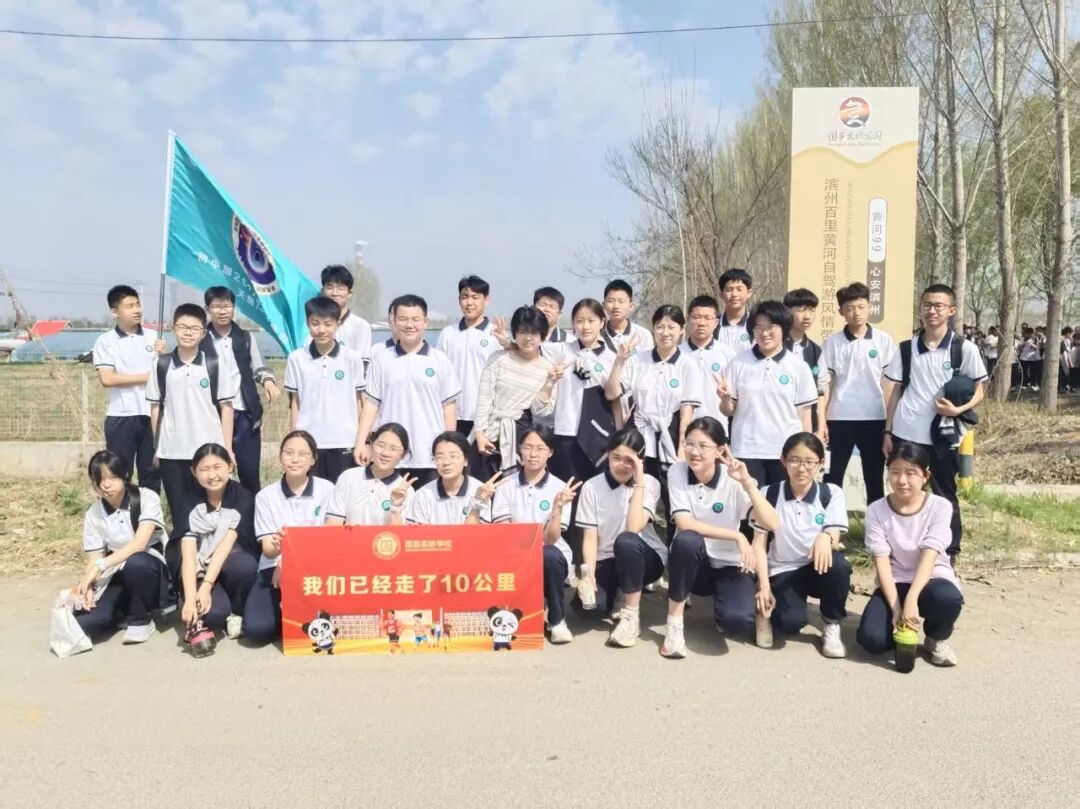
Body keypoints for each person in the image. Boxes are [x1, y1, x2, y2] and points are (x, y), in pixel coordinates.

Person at [659, 418, 779, 659]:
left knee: (737, 621)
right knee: (686, 540)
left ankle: (723, 606)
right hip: (696, 563)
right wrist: (737, 535)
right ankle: (674, 626)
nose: (694, 451)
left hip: (729, 564)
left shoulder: (733, 479)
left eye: (703, 446)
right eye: (689, 443)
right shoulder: (678, 471)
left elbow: (772, 523)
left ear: (720, 450)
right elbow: (684, 523)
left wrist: (747, 483)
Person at [883, 283, 986, 560]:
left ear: (951, 310)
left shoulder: (963, 348)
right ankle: (901, 549)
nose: (932, 311)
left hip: (943, 435)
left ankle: (948, 551)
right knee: (904, 490)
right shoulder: (906, 349)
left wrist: (958, 409)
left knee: (944, 493)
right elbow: (895, 392)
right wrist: (888, 431)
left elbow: (980, 390)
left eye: (938, 306)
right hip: (906, 432)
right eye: (927, 305)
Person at [856, 442, 964, 667]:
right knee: (872, 640)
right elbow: (881, 562)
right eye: (895, 472)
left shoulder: (939, 507)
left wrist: (912, 600)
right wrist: (896, 609)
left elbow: (929, 555)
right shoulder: (876, 510)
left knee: (947, 598)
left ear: (925, 476)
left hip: (931, 578)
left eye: (910, 473)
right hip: (895, 580)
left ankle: (936, 637)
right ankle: (901, 628)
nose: (902, 480)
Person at [476, 426, 582, 644]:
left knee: (549, 554)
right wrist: (532, 534)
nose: (533, 454)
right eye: (527, 447)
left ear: (550, 452)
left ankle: (557, 620)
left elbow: (551, 539)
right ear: (520, 450)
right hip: (514, 551)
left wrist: (556, 509)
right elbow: (504, 530)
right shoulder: (505, 485)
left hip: (550, 554)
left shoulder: (561, 488)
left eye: (540, 449)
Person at [605, 305, 703, 541]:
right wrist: (619, 362)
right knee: (632, 489)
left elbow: (687, 411)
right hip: (638, 431)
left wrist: (682, 448)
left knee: (671, 494)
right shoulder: (638, 360)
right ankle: (632, 543)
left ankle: (673, 547)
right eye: (660, 327)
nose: (665, 332)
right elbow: (612, 393)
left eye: (671, 327)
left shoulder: (688, 364)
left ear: (682, 330)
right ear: (653, 329)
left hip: (670, 433)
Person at [752, 433, 850, 659]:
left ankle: (831, 622)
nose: (802, 468)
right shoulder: (769, 493)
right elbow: (759, 544)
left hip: (817, 567)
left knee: (839, 566)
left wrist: (826, 537)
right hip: (783, 570)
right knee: (789, 623)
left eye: (809, 462)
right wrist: (763, 586)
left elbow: (835, 534)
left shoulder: (831, 493)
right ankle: (763, 610)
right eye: (795, 460)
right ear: (783, 461)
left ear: (821, 463)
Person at [147, 303, 238, 541]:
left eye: (194, 328)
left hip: (208, 451)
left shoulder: (214, 364)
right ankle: (182, 558)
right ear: (172, 328)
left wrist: (227, 448)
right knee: (179, 511)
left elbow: (227, 408)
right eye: (182, 327)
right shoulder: (161, 365)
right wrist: (157, 446)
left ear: (203, 333)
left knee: (210, 508)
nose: (188, 332)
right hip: (172, 452)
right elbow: (156, 408)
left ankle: (210, 556)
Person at [573, 427, 667, 648]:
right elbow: (590, 537)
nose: (622, 465)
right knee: (589, 608)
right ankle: (618, 591)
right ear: (607, 455)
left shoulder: (650, 484)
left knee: (626, 541)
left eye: (629, 460)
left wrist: (639, 482)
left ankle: (631, 614)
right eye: (616, 458)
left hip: (643, 558)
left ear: (640, 460)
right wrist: (588, 575)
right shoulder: (592, 487)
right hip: (606, 558)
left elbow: (633, 527)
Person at [358, 294, 462, 488]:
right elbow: (371, 405)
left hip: (429, 455)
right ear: (394, 321)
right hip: (390, 454)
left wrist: (449, 446)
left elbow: (449, 406)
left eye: (415, 319)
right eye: (403, 319)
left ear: (425, 322)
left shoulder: (439, 360)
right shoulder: (381, 359)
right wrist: (362, 442)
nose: (409, 325)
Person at [544, 298, 619, 566]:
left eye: (591, 320)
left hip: (598, 439)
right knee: (567, 497)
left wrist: (618, 436)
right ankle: (568, 560)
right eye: (579, 321)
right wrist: (507, 343)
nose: (585, 326)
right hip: (566, 435)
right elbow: (530, 346)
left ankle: (595, 561)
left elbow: (616, 399)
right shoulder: (561, 350)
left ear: (602, 322)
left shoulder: (612, 357)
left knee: (595, 498)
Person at [242, 431, 334, 644]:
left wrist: (288, 562)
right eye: (289, 453)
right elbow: (268, 549)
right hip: (274, 568)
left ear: (313, 459)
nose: (295, 459)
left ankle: (296, 616)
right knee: (257, 630)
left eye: (302, 454)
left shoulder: (328, 489)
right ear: (280, 457)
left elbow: (329, 540)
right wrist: (279, 552)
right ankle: (285, 616)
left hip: (315, 568)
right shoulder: (266, 496)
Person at [72, 450, 171, 644]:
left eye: (112, 477)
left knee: (136, 562)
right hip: (116, 570)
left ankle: (141, 619)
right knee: (85, 623)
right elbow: (95, 556)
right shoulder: (93, 513)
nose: (106, 485)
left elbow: (139, 544)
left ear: (125, 474)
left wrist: (100, 565)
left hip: (149, 566)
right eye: (100, 479)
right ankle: (121, 610)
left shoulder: (147, 497)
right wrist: (88, 584)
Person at [720, 300, 816, 485]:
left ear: (784, 328)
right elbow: (728, 410)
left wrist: (806, 451)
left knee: (781, 500)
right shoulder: (738, 364)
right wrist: (725, 400)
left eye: (771, 327)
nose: (764, 333)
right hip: (746, 449)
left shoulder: (798, 367)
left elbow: (805, 417)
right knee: (748, 500)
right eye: (759, 327)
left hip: (786, 451)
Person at [821, 282, 898, 505]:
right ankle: (830, 521)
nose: (856, 312)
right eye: (850, 308)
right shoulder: (833, 342)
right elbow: (826, 383)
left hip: (874, 417)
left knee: (874, 476)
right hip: (839, 417)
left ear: (869, 308)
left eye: (861, 307)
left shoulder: (883, 340)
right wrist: (822, 421)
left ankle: (875, 522)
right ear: (841, 312)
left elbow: (889, 384)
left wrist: (890, 423)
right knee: (833, 476)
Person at [178, 443, 258, 653]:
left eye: (217, 467)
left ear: (230, 466)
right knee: (214, 615)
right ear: (193, 472)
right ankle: (213, 610)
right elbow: (188, 554)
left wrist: (206, 587)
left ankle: (238, 610)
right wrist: (190, 598)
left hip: (227, 561)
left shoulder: (243, 497)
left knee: (244, 565)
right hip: (199, 566)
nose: (212, 475)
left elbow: (225, 546)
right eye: (204, 469)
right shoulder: (187, 501)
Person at [202, 286, 281, 494]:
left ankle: (252, 510)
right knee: (213, 470)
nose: (222, 311)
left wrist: (269, 382)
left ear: (233, 308)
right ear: (207, 309)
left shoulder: (246, 338)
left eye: (227, 306)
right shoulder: (201, 340)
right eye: (216, 306)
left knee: (249, 471)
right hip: (213, 414)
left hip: (245, 413)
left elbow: (259, 367)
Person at [284, 296, 366, 484]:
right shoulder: (297, 358)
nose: (321, 330)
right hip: (309, 441)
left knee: (343, 493)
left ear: (338, 324)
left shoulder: (352, 358)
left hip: (345, 441)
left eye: (328, 324)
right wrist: (294, 438)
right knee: (312, 493)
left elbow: (358, 401)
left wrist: (363, 441)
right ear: (307, 323)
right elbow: (295, 402)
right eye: (315, 324)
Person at [92, 285, 166, 493]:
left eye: (138, 304)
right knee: (119, 471)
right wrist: (148, 377)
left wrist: (165, 355)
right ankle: (120, 510)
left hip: (152, 413)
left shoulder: (154, 337)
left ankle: (150, 512)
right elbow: (107, 378)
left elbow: (166, 373)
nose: (137, 310)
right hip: (121, 414)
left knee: (152, 471)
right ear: (115, 312)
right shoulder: (106, 341)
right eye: (130, 306)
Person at [470, 306, 558, 479]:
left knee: (513, 487)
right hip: (488, 433)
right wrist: (479, 434)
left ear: (542, 336)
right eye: (522, 332)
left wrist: (549, 383)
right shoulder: (498, 358)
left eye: (534, 333)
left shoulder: (547, 369)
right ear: (515, 334)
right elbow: (484, 398)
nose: (528, 338)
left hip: (519, 435)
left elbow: (540, 411)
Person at [436, 276, 498, 444]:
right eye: (465, 297)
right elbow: (439, 374)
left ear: (486, 300)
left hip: (486, 416)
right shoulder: (448, 334)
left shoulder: (496, 334)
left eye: (475, 297)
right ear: (459, 300)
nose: (469, 302)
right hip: (452, 415)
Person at [326, 423, 417, 526]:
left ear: (403, 454)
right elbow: (333, 522)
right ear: (371, 445)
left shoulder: (406, 491)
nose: (385, 453)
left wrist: (396, 507)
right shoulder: (349, 477)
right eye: (381, 445)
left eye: (393, 449)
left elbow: (400, 534)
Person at [405, 432, 485, 525]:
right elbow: (417, 532)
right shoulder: (424, 494)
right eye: (440, 457)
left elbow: (480, 533)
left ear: (466, 460)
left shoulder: (480, 490)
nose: (446, 462)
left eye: (453, 456)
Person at [682, 294, 736, 430]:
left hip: (718, 427)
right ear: (687, 320)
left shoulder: (727, 354)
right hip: (683, 428)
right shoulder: (678, 353)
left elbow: (733, 398)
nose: (701, 323)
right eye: (696, 317)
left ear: (716, 322)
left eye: (707, 318)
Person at [783, 288, 827, 441]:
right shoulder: (775, 347)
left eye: (812, 310)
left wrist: (821, 428)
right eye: (801, 310)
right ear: (787, 311)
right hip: (779, 421)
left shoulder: (815, 350)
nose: (807, 316)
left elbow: (821, 390)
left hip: (807, 423)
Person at [319, 264, 373, 368]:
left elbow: (363, 364)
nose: (335, 293)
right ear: (323, 291)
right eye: (330, 287)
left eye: (340, 288)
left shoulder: (361, 326)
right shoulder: (314, 325)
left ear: (350, 293)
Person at [600, 279, 654, 355]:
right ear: (604, 305)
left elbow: (648, 361)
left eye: (621, 301)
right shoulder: (598, 336)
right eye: (611, 301)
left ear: (631, 306)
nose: (616, 306)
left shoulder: (643, 335)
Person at [714, 268, 754, 354]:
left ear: (749, 293)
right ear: (721, 294)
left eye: (739, 289)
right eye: (729, 290)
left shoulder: (755, 324)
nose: (734, 294)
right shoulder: (713, 325)